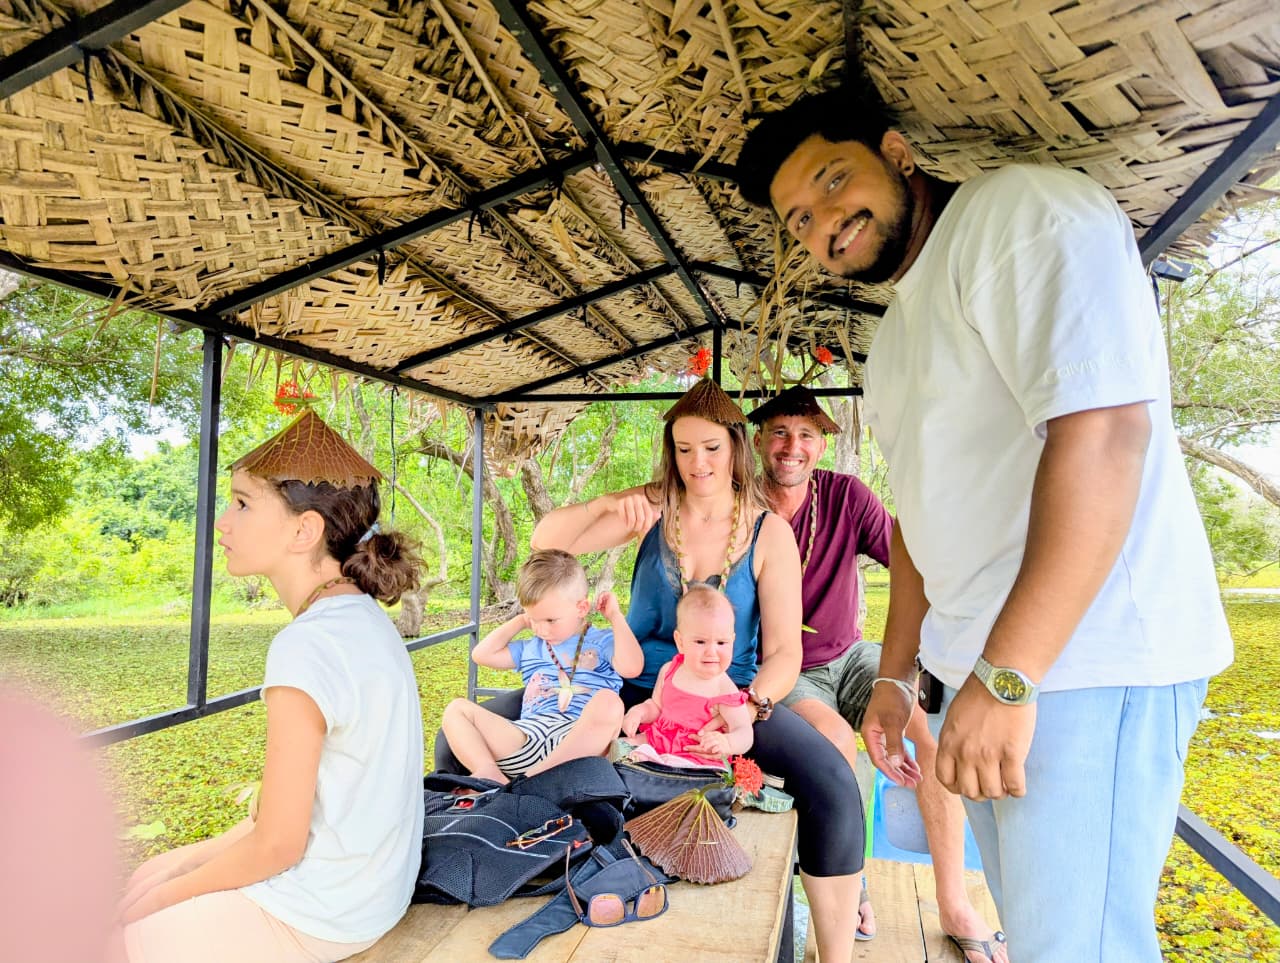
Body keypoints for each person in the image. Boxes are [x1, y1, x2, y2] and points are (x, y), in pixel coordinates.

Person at [736, 85, 1233, 962]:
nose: (823, 223)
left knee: (1080, 950)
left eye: (833, 179)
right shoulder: (895, 341)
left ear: (897, 153)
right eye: (800, 219)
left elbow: (1105, 434)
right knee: (1042, 940)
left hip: (1081, 662)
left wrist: (1008, 676)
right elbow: (920, 525)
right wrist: (897, 679)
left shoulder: (1019, 216)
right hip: (981, 677)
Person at [528, 377, 868, 963]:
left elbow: (785, 653)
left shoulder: (768, 531)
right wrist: (607, 504)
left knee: (833, 782)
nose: (697, 462)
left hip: (727, 699)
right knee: (486, 734)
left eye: (711, 447)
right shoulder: (651, 510)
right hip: (638, 692)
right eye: (684, 449)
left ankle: (835, 952)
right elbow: (545, 540)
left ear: (736, 446)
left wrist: (751, 708)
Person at [114, 410, 426, 963]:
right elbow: (287, 817)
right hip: (373, 896)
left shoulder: (308, 643)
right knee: (154, 872)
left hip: (321, 913)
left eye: (242, 503)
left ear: (304, 531)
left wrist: (162, 898)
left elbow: (278, 845)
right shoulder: (364, 617)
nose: (222, 523)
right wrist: (184, 860)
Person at [748, 384, 1004, 958]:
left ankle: (954, 901)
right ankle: (849, 880)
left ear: (821, 445)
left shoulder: (846, 496)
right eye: (780, 433)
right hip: (786, 669)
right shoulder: (740, 504)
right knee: (836, 744)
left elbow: (912, 565)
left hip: (851, 654)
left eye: (806, 435)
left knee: (930, 732)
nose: (792, 446)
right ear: (759, 440)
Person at [441, 548, 641, 782]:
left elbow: (632, 667)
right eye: (534, 620)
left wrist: (616, 616)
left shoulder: (601, 641)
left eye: (550, 620)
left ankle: (528, 783)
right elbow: (481, 654)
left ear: (581, 608)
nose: (541, 629)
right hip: (528, 737)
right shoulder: (531, 648)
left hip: (578, 742)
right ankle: (492, 776)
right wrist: (521, 621)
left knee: (610, 702)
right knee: (456, 710)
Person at [622, 584, 753, 765]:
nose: (711, 652)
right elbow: (656, 706)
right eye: (700, 642)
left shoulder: (723, 688)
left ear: (732, 641)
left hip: (697, 754)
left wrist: (727, 742)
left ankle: (656, 772)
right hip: (658, 739)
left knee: (683, 769)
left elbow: (744, 732)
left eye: (722, 643)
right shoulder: (670, 670)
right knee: (620, 747)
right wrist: (640, 712)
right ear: (680, 642)